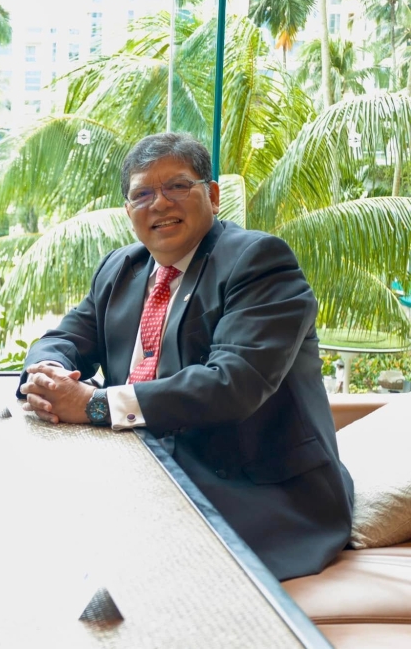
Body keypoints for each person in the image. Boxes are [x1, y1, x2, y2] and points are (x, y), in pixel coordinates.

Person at [18, 132, 353, 581]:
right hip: (145, 468)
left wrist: (94, 403)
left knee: (131, 566)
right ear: (128, 211)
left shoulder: (258, 261)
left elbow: (233, 382)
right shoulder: (123, 268)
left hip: (257, 488)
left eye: (177, 186)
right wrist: (50, 374)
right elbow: (64, 337)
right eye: (143, 193)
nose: (160, 203)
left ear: (212, 195)